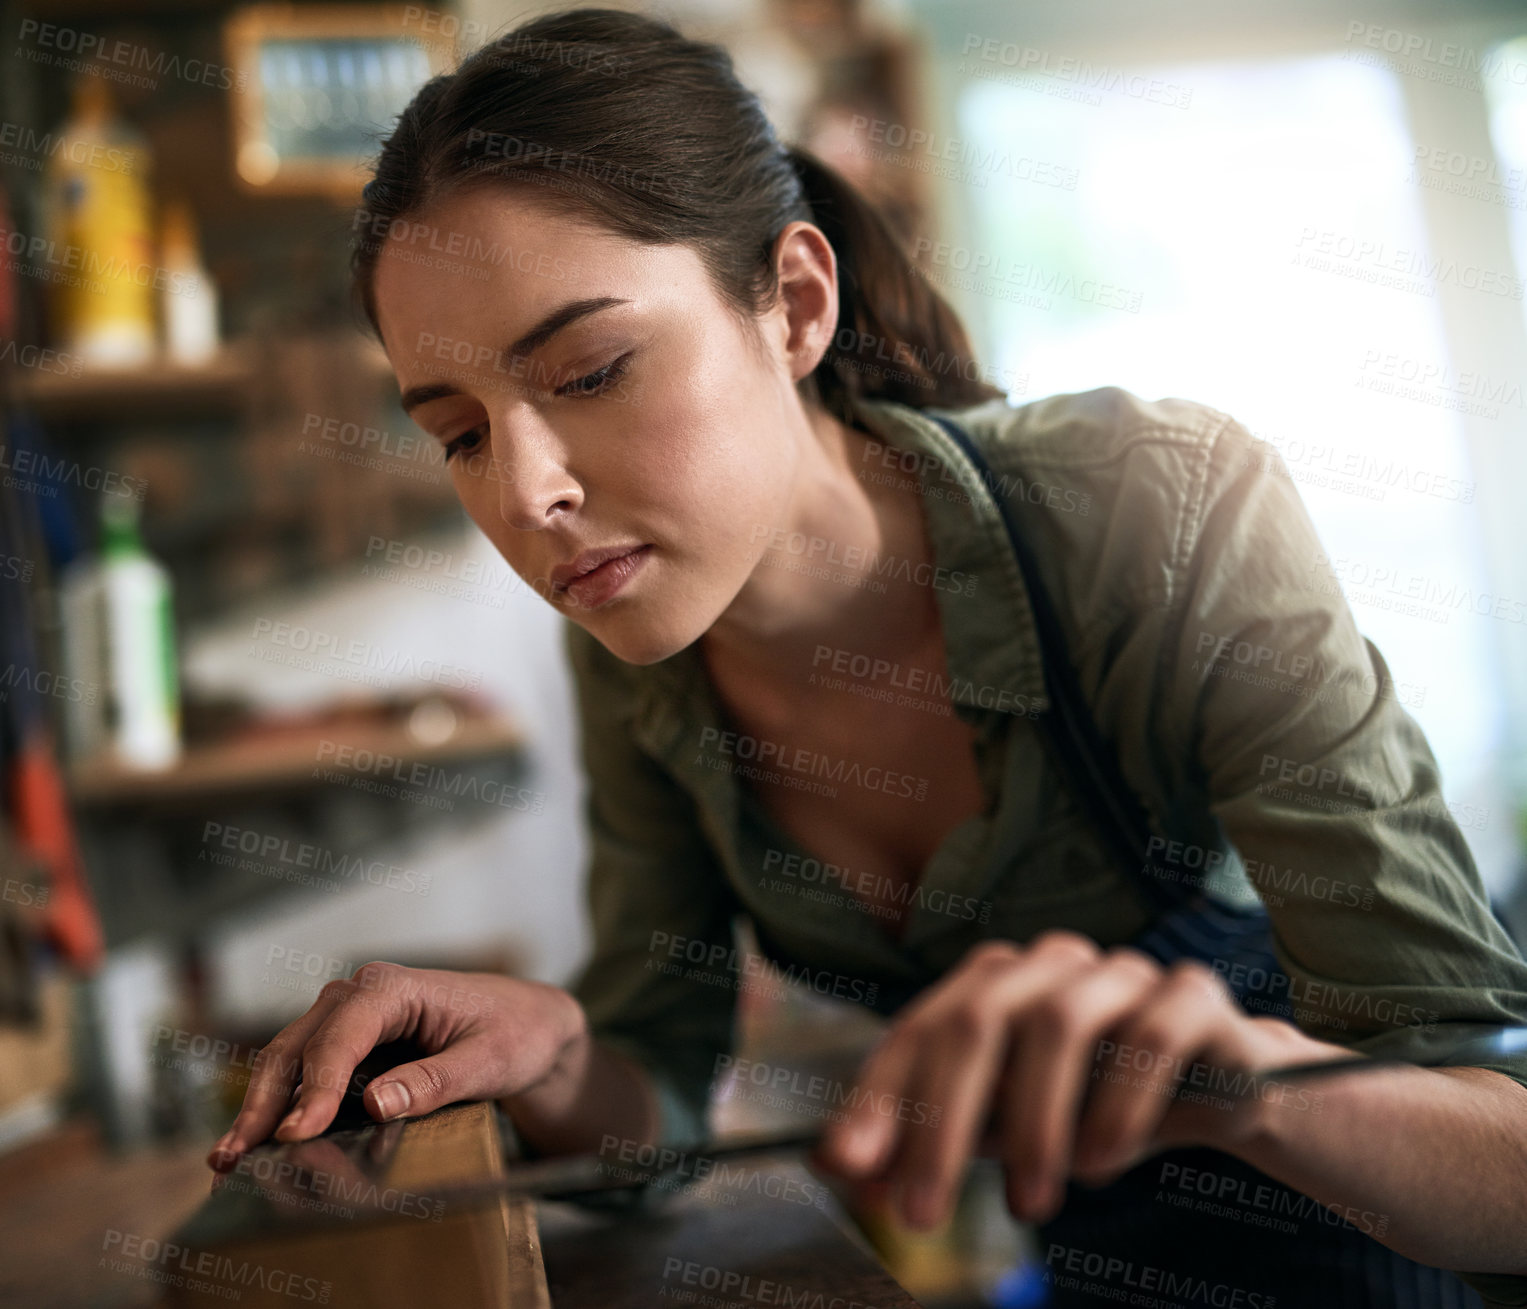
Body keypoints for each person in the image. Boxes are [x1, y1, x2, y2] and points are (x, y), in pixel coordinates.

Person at [207, 9, 1527, 1305]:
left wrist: (1243, 1087)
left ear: (791, 304)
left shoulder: (1159, 514)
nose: (527, 492)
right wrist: (555, 1050)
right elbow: (652, 1113)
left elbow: (1505, 1156)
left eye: (594, 369)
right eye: (458, 434)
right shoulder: (639, 658)